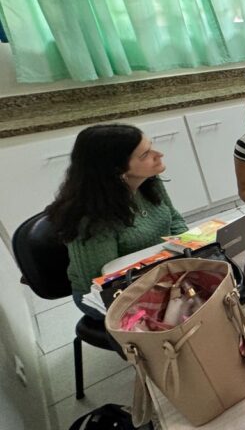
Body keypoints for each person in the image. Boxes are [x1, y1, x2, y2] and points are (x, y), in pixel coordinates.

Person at [47, 124, 188, 320]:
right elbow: (102, 283)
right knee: (185, 312)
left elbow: (175, 221)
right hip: (109, 294)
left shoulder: (148, 182)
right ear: (117, 169)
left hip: (157, 273)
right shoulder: (90, 218)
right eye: (145, 154)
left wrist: (190, 249)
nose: (159, 154)